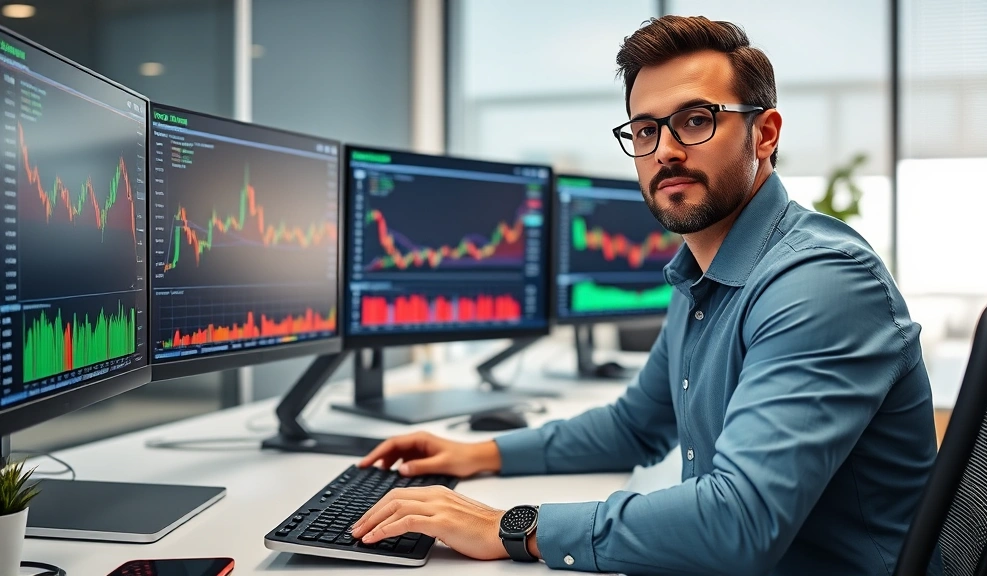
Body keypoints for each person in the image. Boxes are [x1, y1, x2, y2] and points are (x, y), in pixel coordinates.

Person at [351, 15, 941, 575]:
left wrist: (511, 527)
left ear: (765, 134)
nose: (665, 150)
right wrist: (475, 454)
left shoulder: (820, 281)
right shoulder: (700, 274)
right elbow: (633, 427)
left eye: (695, 120)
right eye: (646, 129)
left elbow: (739, 522)